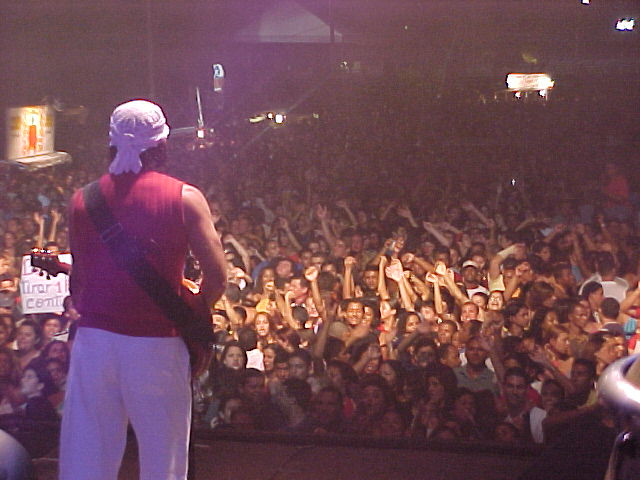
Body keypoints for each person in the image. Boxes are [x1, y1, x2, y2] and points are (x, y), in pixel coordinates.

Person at [59, 100, 227, 480]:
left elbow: (79, 282)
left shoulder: (82, 200)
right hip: (157, 346)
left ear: (111, 142)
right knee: (163, 459)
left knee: (86, 457)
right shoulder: (184, 197)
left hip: (94, 344)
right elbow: (217, 278)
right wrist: (188, 313)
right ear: (161, 144)